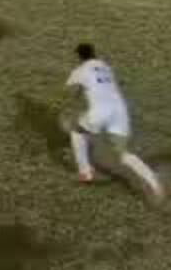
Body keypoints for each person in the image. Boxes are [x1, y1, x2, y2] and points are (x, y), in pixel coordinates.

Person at [64, 43, 163, 198]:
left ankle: (86, 171)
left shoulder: (80, 71)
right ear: (93, 53)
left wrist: (71, 102)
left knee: (76, 130)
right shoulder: (105, 66)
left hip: (100, 111)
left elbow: (70, 91)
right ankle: (153, 180)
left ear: (79, 56)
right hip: (120, 110)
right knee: (123, 153)